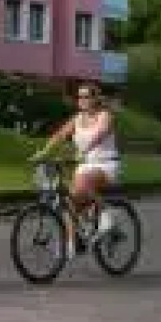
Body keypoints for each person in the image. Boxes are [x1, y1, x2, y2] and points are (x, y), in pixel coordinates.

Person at [32, 83, 120, 257]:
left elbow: (100, 134)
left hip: (105, 164)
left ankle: (107, 217)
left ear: (95, 98)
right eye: (80, 97)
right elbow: (60, 135)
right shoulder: (77, 119)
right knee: (68, 202)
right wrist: (44, 152)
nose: (82, 100)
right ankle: (71, 245)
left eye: (86, 96)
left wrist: (85, 150)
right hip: (84, 165)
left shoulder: (105, 116)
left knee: (82, 182)